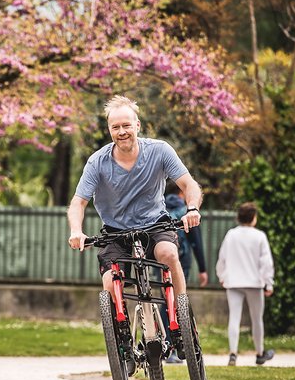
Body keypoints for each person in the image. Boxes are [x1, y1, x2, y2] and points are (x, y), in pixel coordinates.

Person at [67, 95, 203, 363]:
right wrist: (76, 230)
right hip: (115, 232)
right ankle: (123, 341)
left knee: (169, 254)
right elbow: (78, 202)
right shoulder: (97, 162)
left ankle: (181, 324)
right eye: (115, 127)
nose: (122, 132)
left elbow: (190, 184)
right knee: (111, 281)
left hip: (155, 225)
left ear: (137, 125)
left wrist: (192, 209)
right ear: (109, 130)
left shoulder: (160, 151)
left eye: (126, 125)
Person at [216, 202, 276, 366]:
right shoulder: (260, 236)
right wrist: (268, 283)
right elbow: (266, 263)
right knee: (257, 320)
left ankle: (233, 354)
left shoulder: (231, 235)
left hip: (233, 282)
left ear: (238, 217)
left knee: (234, 318)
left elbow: (222, 258)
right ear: (254, 218)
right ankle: (259, 353)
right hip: (254, 283)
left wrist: (222, 275)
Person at [162, 180, 208, 363]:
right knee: (178, 299)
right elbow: (196, 242)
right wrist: (203, 268)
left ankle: (165, 343)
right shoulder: (185, 212)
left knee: (164, 298)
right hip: (182, 260)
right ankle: (179, 343)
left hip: (162, 260)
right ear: (182, 193)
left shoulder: (159, 209)